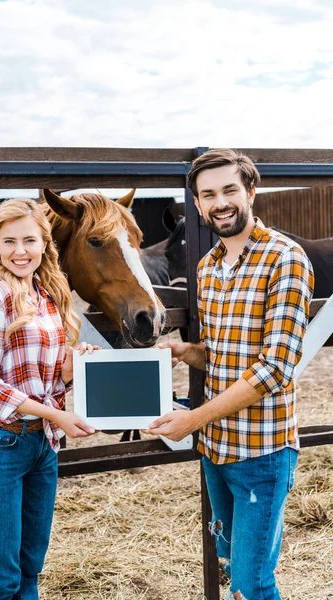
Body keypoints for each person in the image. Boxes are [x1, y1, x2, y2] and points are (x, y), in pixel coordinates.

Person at [144, 149, 314, 600]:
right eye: (208, 194)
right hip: (216, 449)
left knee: (252, 584)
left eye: (229, 190)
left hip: (261, 452)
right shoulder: (208, 267)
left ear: (250, 192)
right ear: (197, 205)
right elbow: (223, 354)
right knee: (231, 567)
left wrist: (193, 419)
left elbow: (275, 368)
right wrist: (187, 351)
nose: (219, 202)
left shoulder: (286, 259)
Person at [0, 198, 98, 600]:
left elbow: (43, 377)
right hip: (1, 445)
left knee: (30, 570)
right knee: (1, 579)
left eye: (29, 240)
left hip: (43, 445)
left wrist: (71, 372)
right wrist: (56, 414)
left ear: (44, 244)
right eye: (9, 241)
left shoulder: (45, 293)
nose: (20, 251)